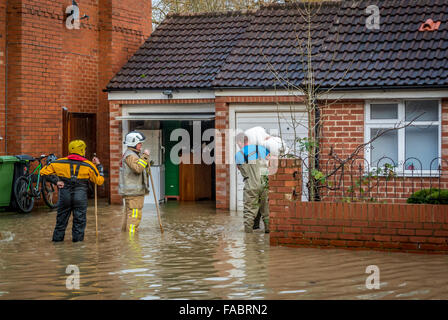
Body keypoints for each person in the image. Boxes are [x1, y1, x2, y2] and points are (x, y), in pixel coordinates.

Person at [41, 140, 104, 242]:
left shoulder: (58, 162)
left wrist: (56, 181)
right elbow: (99, 181)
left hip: (64, 196)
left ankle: (57, 245)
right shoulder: (89, 165)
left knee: (60, 223)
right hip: (80, 197)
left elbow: (43, 173)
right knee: (79, 224)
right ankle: (78, 249)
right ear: (82, 150)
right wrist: (99, 166)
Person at [235, 132, 270, 233]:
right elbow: (270, 162)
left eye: (237, 144)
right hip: (265, 183)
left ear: (240, 142)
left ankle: (249, 236)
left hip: (251, 185)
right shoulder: (262, 149)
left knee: (249, 210)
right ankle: (268, 230)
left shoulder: (239, 154)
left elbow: (240, 168)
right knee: (266, 208)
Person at [119, 131, 151, 234]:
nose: (141, 145)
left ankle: (126, 240)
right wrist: (145, 156)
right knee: (134, 216)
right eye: (139, 143)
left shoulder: (132, 154)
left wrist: (146, 161)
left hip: (132, 192)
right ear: (133, 143)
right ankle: (132, 242)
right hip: (134, 193)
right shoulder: (131, 156)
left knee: (129, 215)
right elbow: (138, 168)